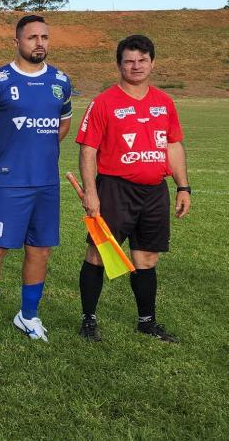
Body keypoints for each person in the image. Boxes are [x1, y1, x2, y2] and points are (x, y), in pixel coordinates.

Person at [75, 34, 190, 343]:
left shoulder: (164, 103)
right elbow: (87, 150)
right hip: (114, 189)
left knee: (147, 260)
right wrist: (91, 192)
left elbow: (173, 145)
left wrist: (183, 187)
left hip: (154, 192)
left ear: (152, 63)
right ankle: (88, 320)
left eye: (142, 60)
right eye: (129, 60)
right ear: (119, 65)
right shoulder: (103, 102)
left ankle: (146, 322)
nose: (136, 66)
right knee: (99, 254)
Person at [0, 15, 73, 346]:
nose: (39, 43)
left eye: (44, 37)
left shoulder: (60, 80)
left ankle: (27, 316)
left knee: (40, 251)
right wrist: (0, 162)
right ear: (17, 42)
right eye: (32, 37)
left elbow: (64, 122)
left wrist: (41, 153)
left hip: (45, 183)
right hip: (8, 184)